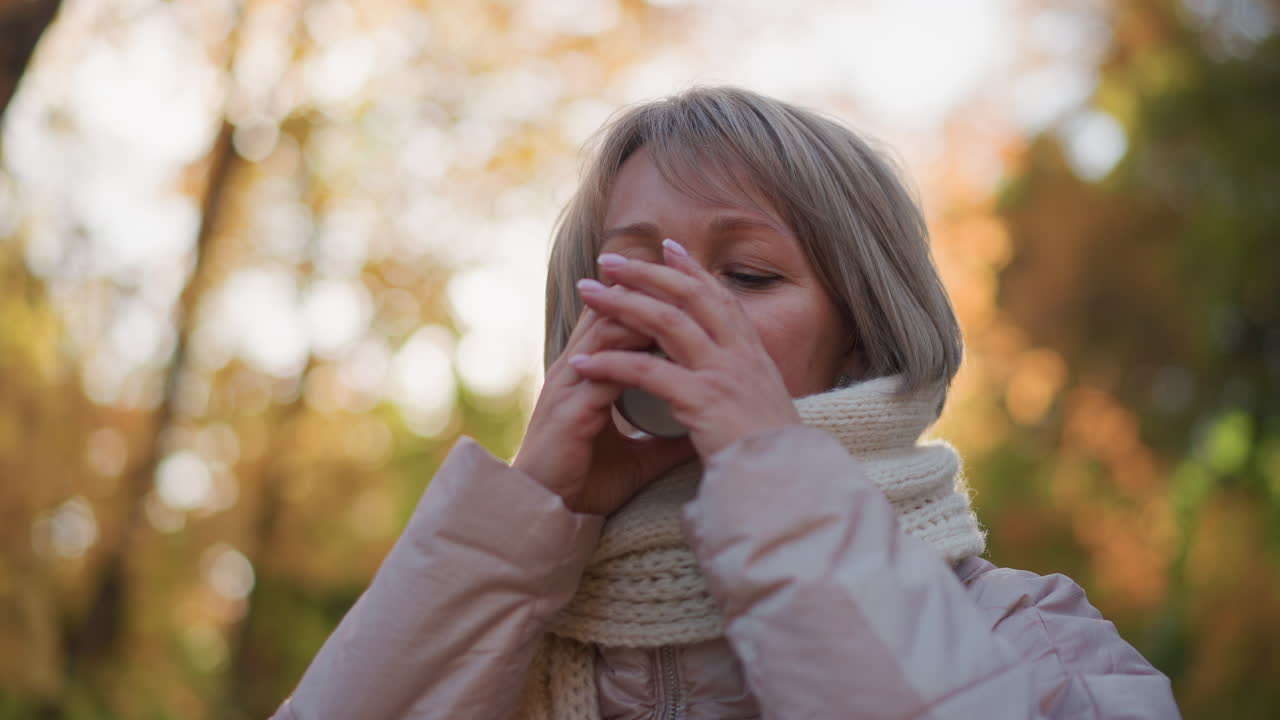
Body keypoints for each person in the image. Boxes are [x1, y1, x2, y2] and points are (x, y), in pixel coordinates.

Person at [270, 87, 1180, 719]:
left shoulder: (1030, 635)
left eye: (745, 274)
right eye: (632, 273)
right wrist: (523, 523)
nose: (680, 309)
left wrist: (773, 476)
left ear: (860, 338)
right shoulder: (496, 630)